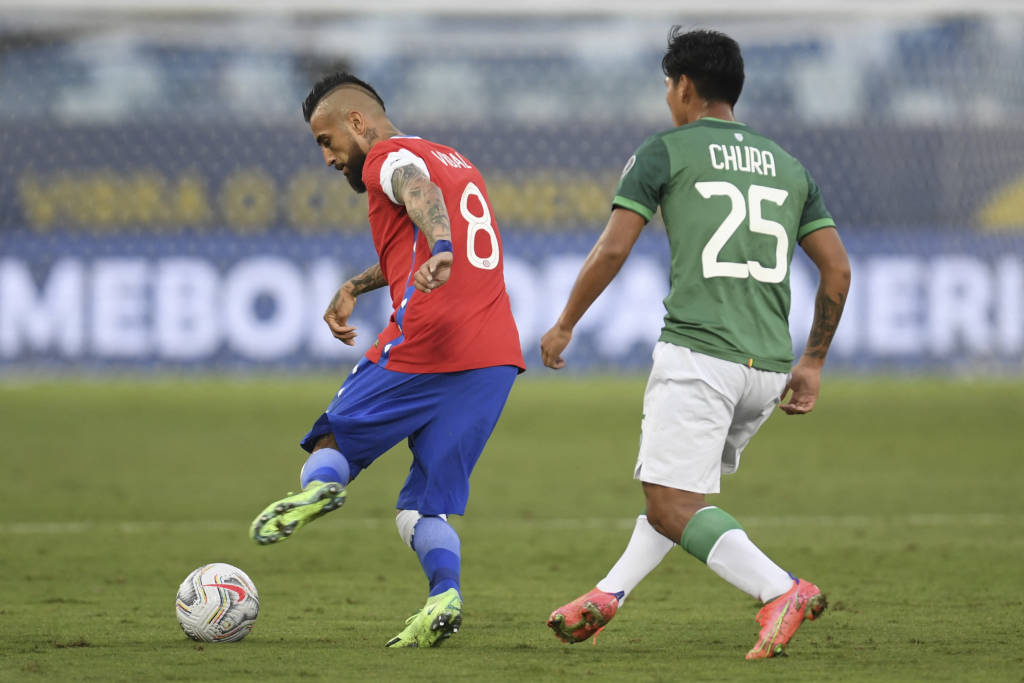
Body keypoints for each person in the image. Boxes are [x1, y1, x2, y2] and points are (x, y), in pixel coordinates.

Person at [541, 28, 851, 659]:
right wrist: (813, 361)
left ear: (684, 87)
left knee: (668, 501)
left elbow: (613, 248)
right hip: (767, 368)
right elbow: (837, 269)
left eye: (667, 86)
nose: (667, 98)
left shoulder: (664, 151)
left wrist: (566, 321)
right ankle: (608, 593)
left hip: (700, 354)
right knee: (678, 493)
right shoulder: (789, 166)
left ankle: (780, 589)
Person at [249, 72, 524, 649]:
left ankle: (324, 486)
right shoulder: (453, 158)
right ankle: (444, 596)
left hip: (428, 341)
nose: (327, 158)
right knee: (420, 511)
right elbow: (417, 227)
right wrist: (357, 283)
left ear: (356, 122)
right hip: (494, 356)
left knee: (333, 441)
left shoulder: (387, 156)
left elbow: (413, 188)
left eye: (327, 142)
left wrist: (442, 247)